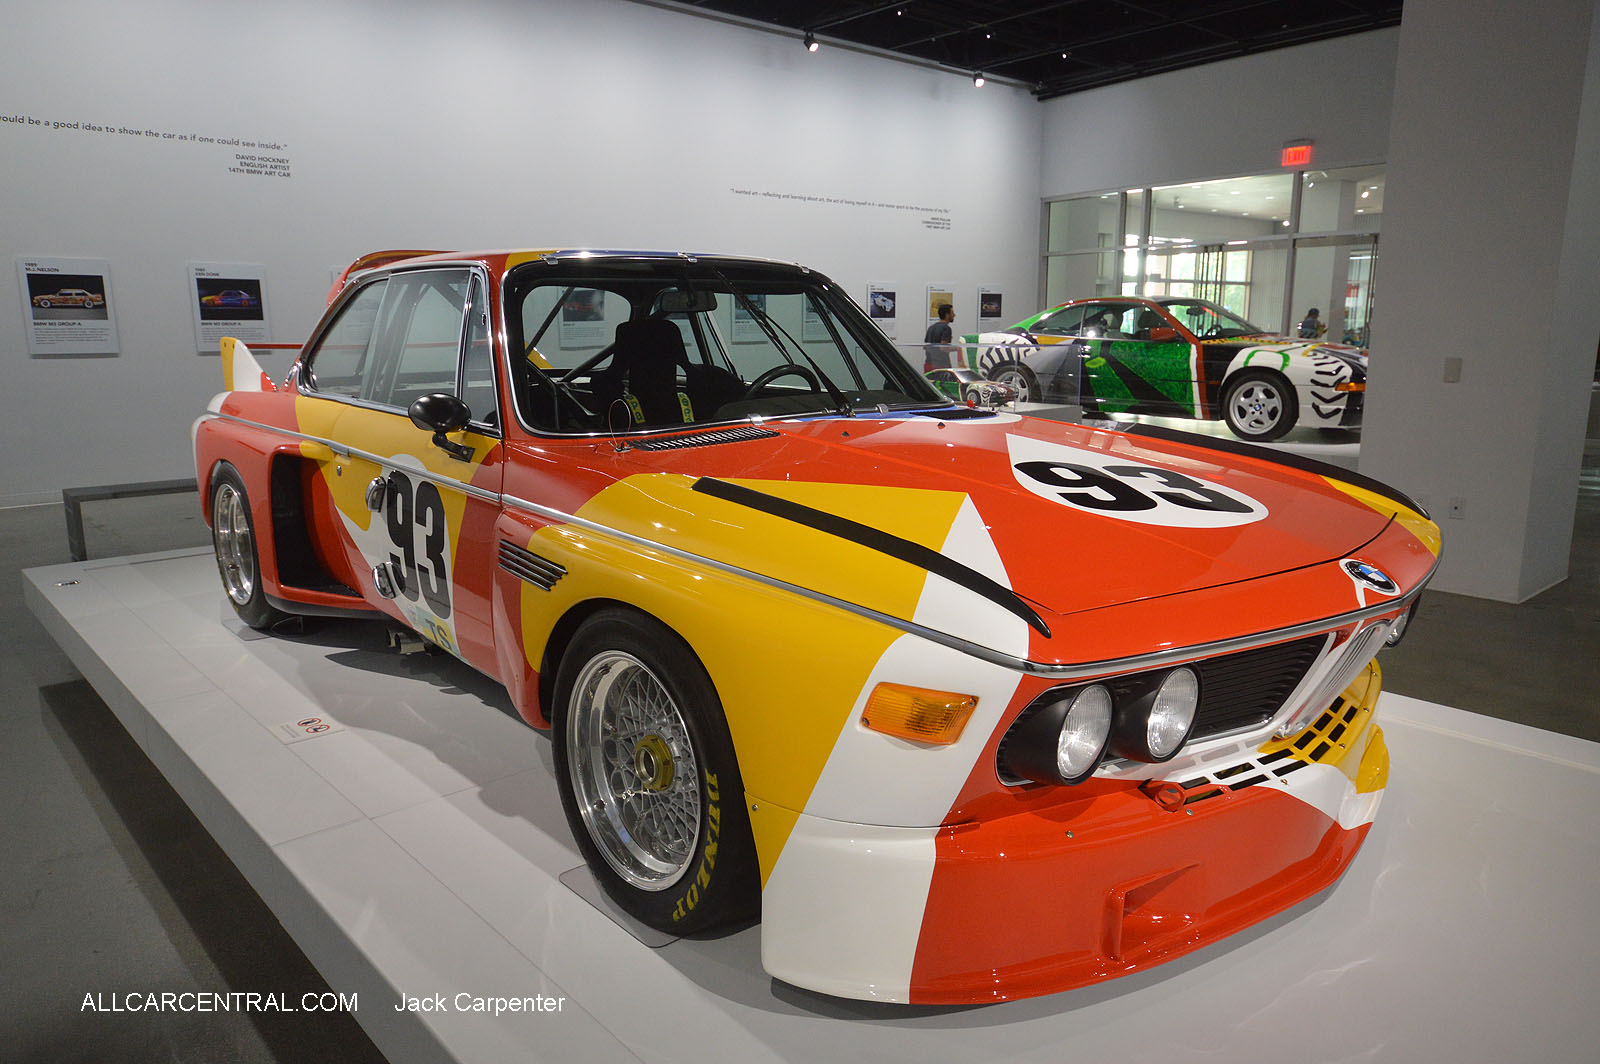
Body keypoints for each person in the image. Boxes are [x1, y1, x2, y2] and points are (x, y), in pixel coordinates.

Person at [923, 303, 956, 370]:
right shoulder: (946, 328)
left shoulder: (931, 328)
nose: (954, 315)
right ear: (947, 315)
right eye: (952, 313)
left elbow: (925, 346)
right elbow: (943, 348)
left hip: (928, 364)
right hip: (941, 366)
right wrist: (958, 348)